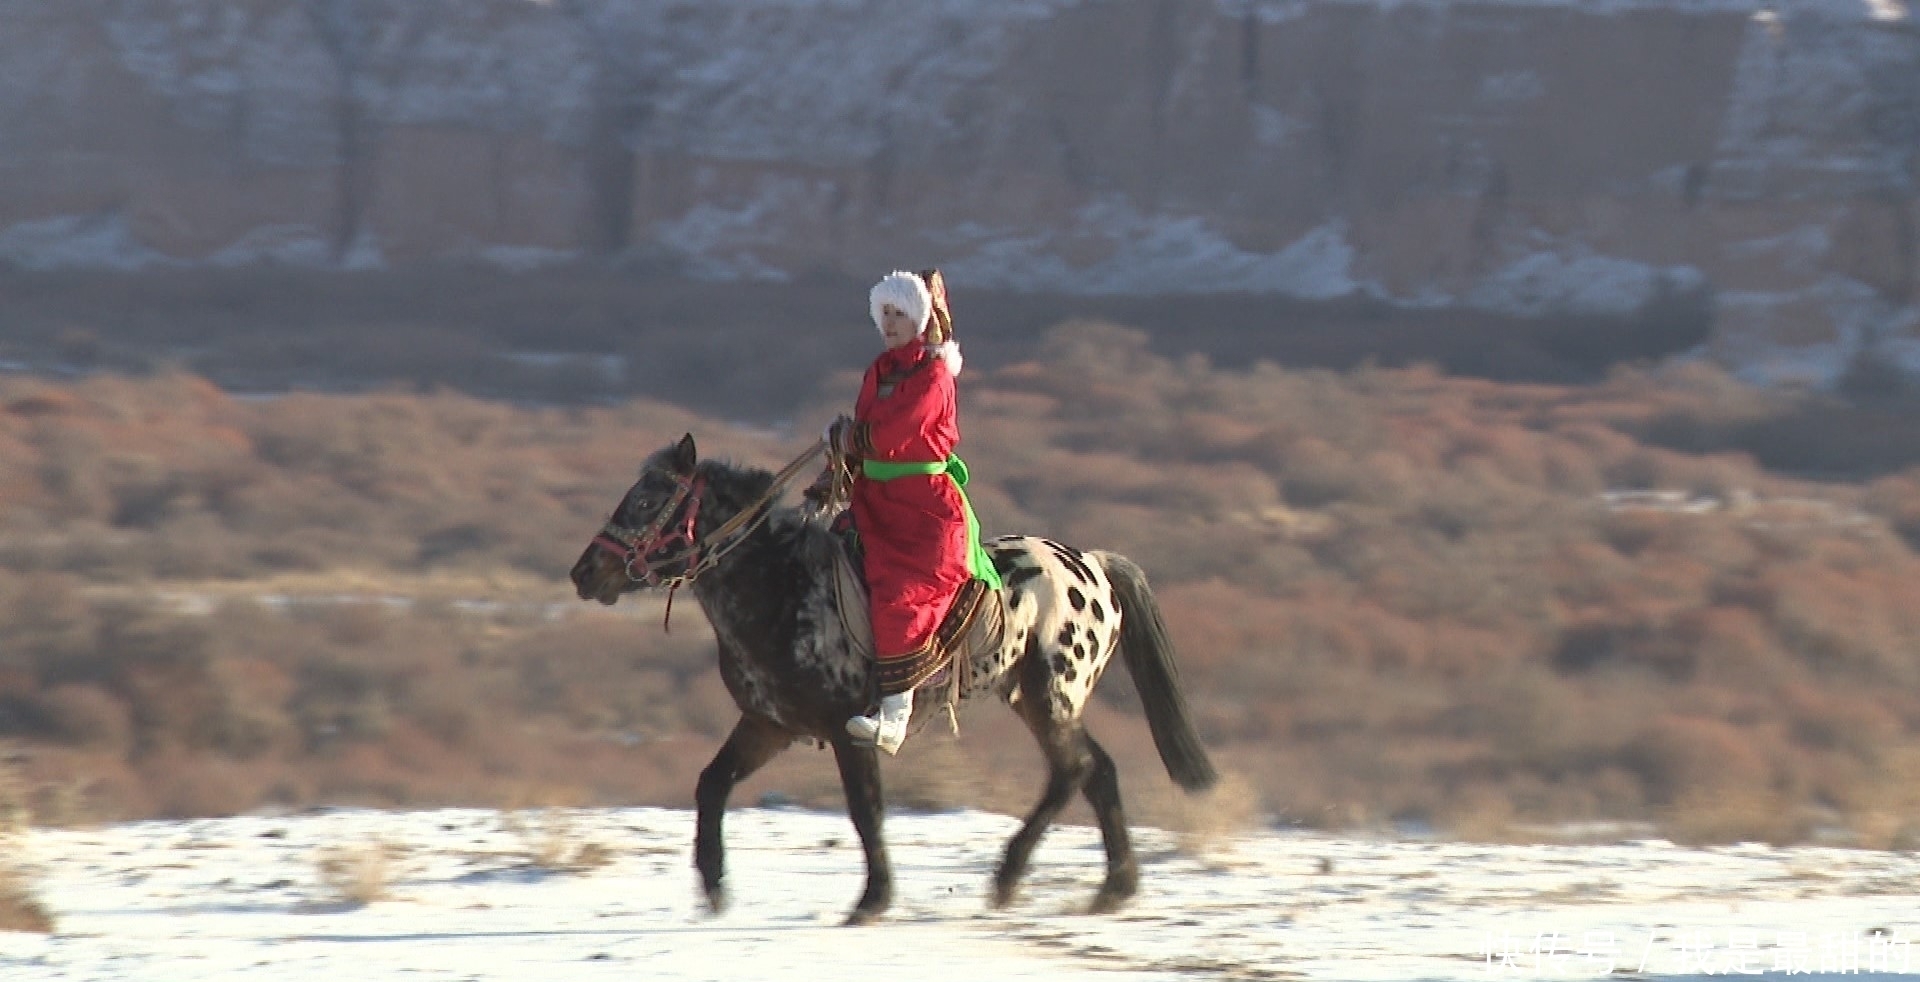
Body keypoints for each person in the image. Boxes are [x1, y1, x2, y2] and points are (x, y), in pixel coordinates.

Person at [828, 269, 1000, 754]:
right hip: (875, 499)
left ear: (921, 318)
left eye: (898, 313)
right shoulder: (879, 371)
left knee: (900, 592)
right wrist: (840, 456)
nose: (889, 323)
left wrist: (851, 439)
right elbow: (866, 430)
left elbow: (890, 433)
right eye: (883, 314)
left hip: (923, 508)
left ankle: (894, 714)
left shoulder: (934, 374)